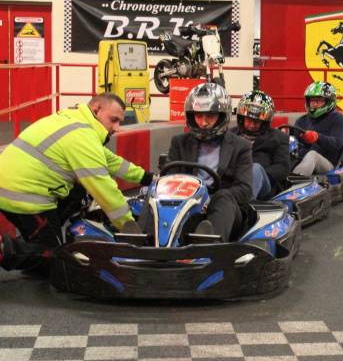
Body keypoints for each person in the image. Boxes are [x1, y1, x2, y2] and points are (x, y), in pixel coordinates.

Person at [0, 93, 152, 272]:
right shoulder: (82, 137)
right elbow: (104, 190)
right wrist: (130, 230)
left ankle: (40, 238)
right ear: (97, 109)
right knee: (56, 260)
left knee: (78, 191)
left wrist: (147, 178)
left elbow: (110, 160)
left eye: (120, 122)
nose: (117, 128)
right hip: (22, 196)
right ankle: (6, 251)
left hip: (15, 184)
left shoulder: (76, 120)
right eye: (113, 120)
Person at [158, 83, 252, 242]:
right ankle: (142, 239)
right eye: (199, 116)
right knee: (155, 189)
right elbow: (169, 179)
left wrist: (208, 198)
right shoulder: (179, 142)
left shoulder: (241, 146)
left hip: (223, 208)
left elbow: (245, 189)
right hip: (186, 205)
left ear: (222, 116)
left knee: (224, 197)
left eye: (210, 116)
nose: (203, 122)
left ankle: (209, 245)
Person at [233, 90, 290, 199]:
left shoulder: (278, 137)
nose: (251, 125)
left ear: (264, 122)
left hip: (264, 184)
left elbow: (283, 167)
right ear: (242, 118)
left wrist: (247, 173)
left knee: (255, 168)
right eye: (248, 120)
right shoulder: (231, 135)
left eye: (256, 122)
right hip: (232, 180)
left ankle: (242, 204)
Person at [293, 82, 343, 176]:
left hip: (327, 164)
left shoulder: (338, 119)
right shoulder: (301, 121)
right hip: (302, 159)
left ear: (329, 101)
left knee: (312, 155)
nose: (314, 104)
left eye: (318, 100)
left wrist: (318, 137)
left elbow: (337, 144)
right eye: (312, 100)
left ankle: (295, 180)